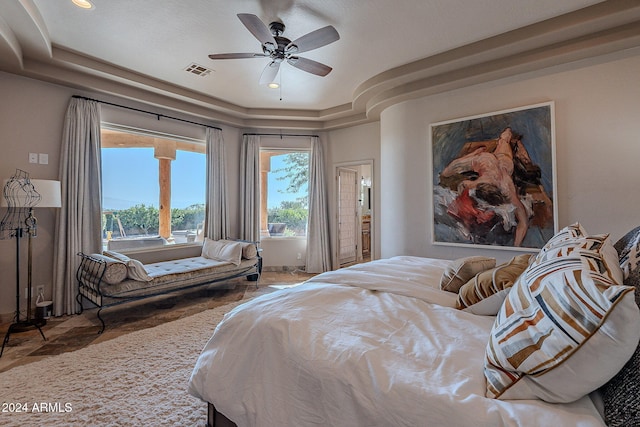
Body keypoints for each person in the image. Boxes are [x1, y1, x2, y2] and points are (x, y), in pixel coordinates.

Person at [440, 127, 529, 246]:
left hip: (504, 162)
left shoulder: (507, 189)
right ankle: (473, 154)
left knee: (504, 140)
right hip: (484, 160)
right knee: (446, 172)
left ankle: (505, 135)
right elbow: (459, 182)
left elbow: (523, 222)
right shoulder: (477, 181)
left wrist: (516, 247)